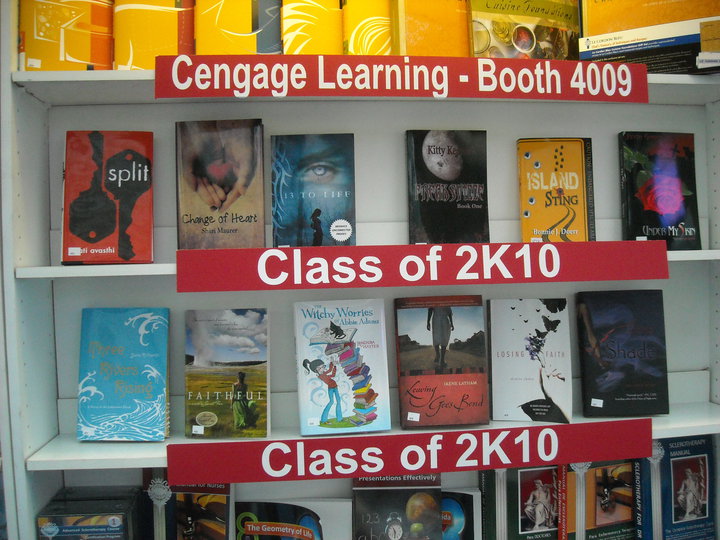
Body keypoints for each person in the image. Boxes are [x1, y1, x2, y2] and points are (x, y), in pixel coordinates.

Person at [303, 357, 342, 424]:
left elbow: (331, 372)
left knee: (338, 401)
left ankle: (339, 419)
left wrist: (333, 364)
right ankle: (324, 419)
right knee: (331, 402)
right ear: (316, 370)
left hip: (335, 387)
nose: (322, 369)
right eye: (319, 368)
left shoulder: (323, 373)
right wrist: (333, 365)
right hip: (331, 388)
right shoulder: (321, 376)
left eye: (323, 367)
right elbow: (331, 372)